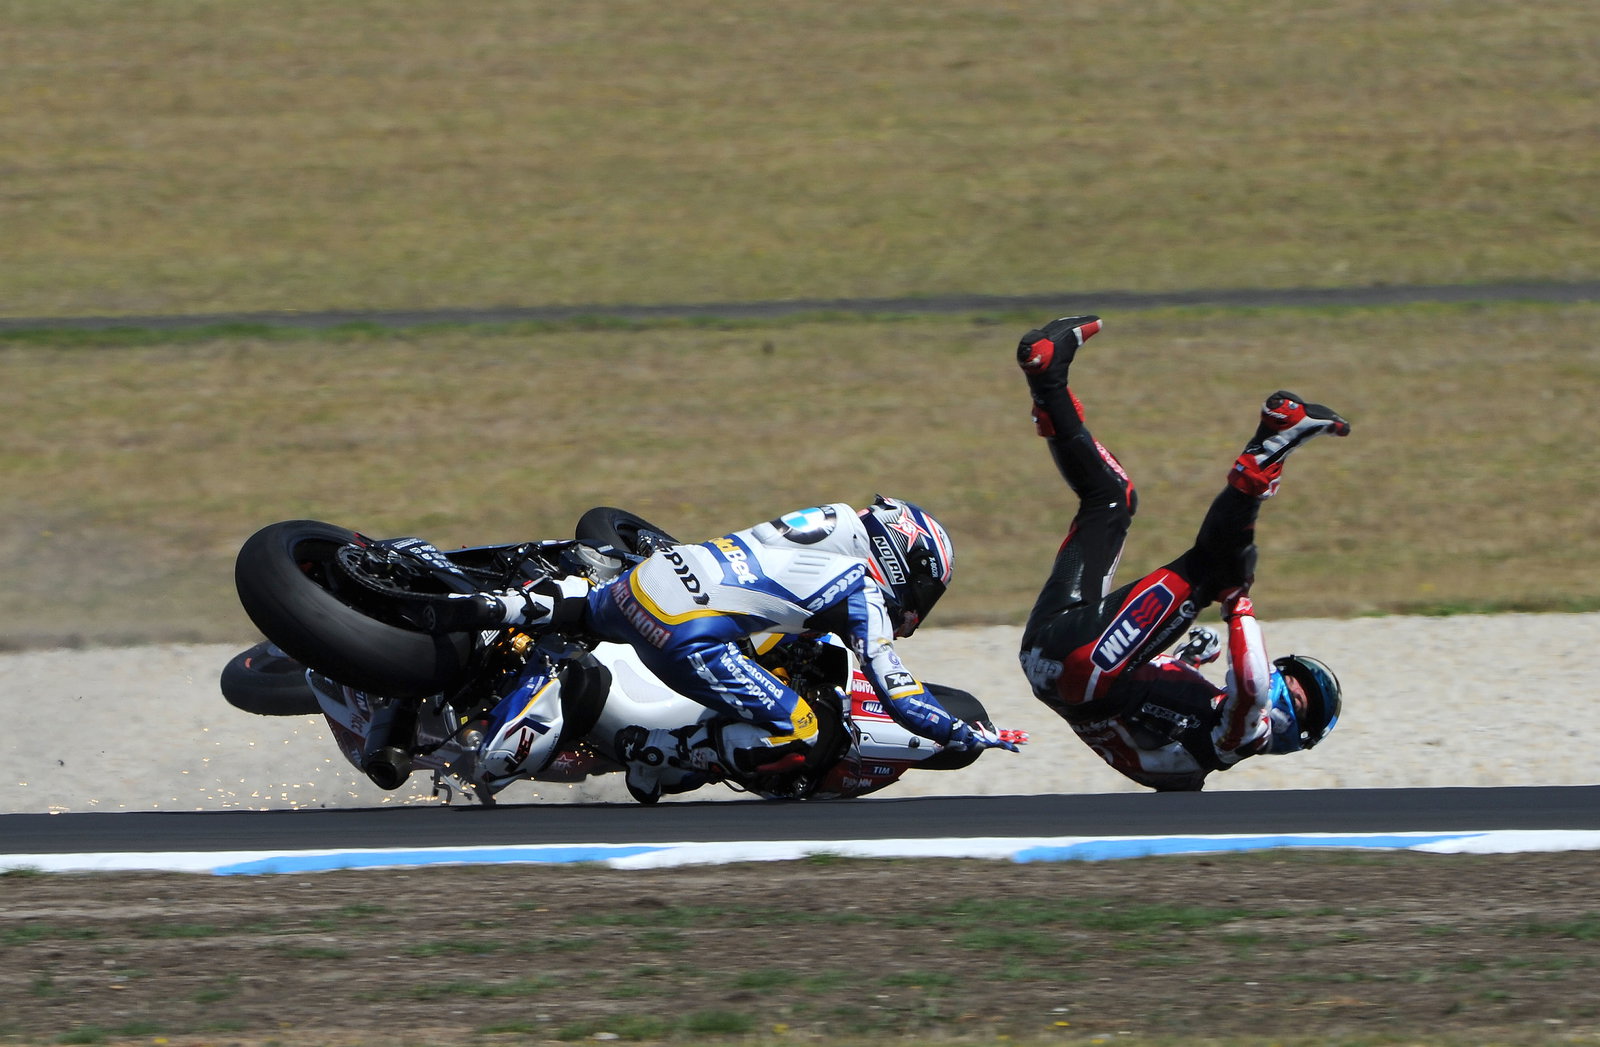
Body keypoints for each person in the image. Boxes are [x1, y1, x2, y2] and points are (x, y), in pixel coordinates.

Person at [430, 497, 1018, 802]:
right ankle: (647, 751)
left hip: (655, 576)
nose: (916, 607)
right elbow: (898, 691)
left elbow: (761, 596)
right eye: (922, 591)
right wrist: (962, 734)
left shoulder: (821, 525)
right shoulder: (862, 590)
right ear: (899, 565)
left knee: (584, 594)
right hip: (689, 641)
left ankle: (490, 605)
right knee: (801, 730)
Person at [1013, 314, 1348, 791]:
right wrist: (1187, 662)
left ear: (1296, 731)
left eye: (1301, 697)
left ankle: (1271, 445)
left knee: (1217, 569)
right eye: (1293, 678)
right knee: (1111, 497)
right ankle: (1048, 380)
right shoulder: (1208, 730)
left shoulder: (1240, 739)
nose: (1289, 684)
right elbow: (1151, 714)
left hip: (1085, 672)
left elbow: (1251, 688)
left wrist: (1239, 607)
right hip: (1044, 656)